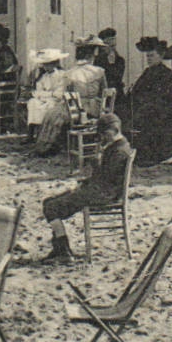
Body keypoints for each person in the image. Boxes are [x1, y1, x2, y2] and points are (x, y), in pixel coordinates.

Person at [38, 113, 132, 263]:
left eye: (104, 133)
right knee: (49, 202)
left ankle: (63, 252)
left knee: (51, 207)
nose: (102, 137)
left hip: (103, 194)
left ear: (114, 129)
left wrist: (94, 164)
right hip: (101, 191)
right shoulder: (120, 146)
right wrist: (86, 182)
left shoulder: (118, 151)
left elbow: (105, 178)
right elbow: (105, 178)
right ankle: (60, 249)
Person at [24, 49, 71, 145]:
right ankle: (30, 133)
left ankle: (44, 135)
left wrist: (45, 94)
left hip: (57, 101)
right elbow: (37, 91)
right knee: (33, 102)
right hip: (44, 99)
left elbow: (59, 93)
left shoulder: (62, 75)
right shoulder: (44, 76)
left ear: (55, 63)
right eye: (44, 64)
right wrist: (44, 94)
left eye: (48, 64)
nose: (46, 67)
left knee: (49, 106)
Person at [93, 28, 126, 114]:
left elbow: (117, 78)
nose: (112, 49)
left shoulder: (120, 60)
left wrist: (111, 64)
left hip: (117, 98)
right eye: (109, 46)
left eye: (114, 46)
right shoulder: (96, 61)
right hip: (101, 98)